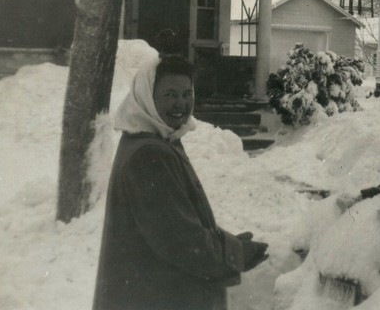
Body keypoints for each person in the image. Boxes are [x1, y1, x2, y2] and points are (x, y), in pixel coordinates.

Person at [93, 55, 268, 310]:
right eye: (170, 95)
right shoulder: (149, 154)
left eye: (187, 94)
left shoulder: (153, 140)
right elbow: (182, 243)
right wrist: (235, 253)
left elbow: (175, 224)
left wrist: (226, 244)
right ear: (147, 97)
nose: (181, 103)